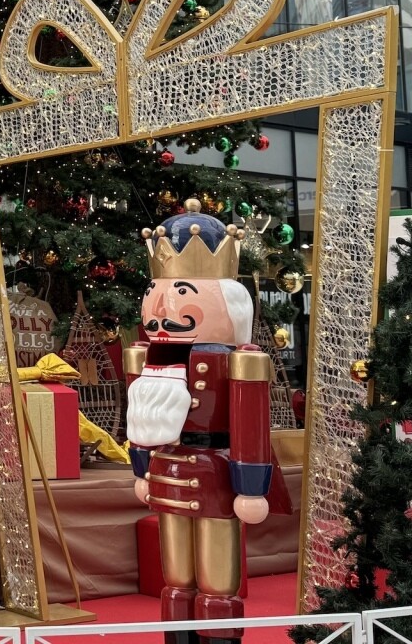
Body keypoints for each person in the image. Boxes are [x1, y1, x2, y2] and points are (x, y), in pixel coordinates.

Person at [125, 199, 290, 644]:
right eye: (157, 297)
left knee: (218, 580)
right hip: (167, 472)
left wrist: (251, 486)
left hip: (217, 474)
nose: (163, 312)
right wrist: (141, 467)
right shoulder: (147, 357)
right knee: (176, 575)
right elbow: (138, 418)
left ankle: (219, 638)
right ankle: (178, 637)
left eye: (182, 295)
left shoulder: (240, 361)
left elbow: (251, 429)